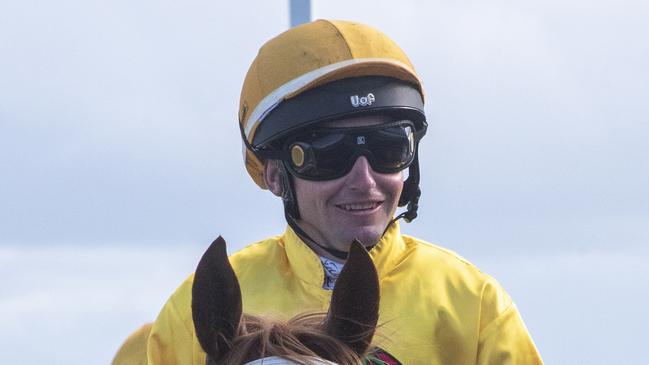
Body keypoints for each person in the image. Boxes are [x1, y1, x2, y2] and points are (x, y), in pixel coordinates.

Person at [145, 19, 543, 364]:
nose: (364, 180)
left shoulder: (474, 305)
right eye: (329, 154)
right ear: (274, 176)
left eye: (388, 147)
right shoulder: (188, 315)